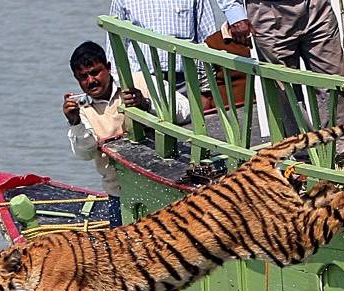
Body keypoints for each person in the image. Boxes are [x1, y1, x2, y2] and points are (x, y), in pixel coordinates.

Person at [63, 41, 191, 227]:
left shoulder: (138, 81)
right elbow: (85, 153)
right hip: (121, 194)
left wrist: (146, 105)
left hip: (166, 182)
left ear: (108, 68)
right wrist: (74, 122)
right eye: (83, 77)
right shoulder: (80, 108)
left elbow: (185, 109)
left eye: (95, 72)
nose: (91, 81)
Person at [243, 0, 344, 159]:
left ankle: (343, 157)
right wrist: (235, 14)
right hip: (269, 12)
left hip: (316, 8)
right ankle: (306, 158)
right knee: (285, 91)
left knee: (334, 81)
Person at [104, 0, 250, 100]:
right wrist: (116, 83)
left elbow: (206, 38)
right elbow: (114, 40)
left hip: (185, 80)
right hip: (143, 80)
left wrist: (205, 87)